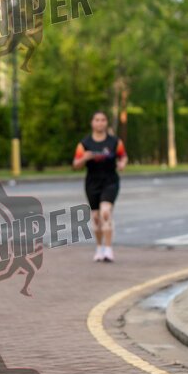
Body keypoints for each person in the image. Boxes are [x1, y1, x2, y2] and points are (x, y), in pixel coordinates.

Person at [72, 111, 127, 263]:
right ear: (92, 123)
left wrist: (122, 163)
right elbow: (75, 164)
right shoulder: (84, 144)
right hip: (92, 183)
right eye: (97, 120)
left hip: (110, 181)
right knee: (96, 217)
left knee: (105, 212)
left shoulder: (114, 142)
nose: (100, 123)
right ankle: (99, 248)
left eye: (103, 120)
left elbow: (123, 156)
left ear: (106, 122)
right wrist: (84, 158)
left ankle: (108, 249)